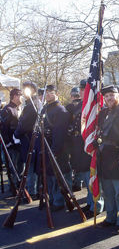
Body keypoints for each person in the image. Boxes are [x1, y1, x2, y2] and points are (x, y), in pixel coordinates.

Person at [96, 85, 119, 234]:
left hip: (118, 155)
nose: (109, 98)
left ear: (118, 95)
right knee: (108, 191)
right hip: (104, 155)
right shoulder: (103, 112)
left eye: (112, 95)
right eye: (107, 96)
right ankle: (111, 217)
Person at [70, 79, 104, 217]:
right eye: (81, 90)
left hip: (90, 144)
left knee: (92, 175)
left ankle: (97, 204)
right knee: (85, 176)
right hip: (79, 144)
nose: (82, 92)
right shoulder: (79, 105)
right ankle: (90, 203)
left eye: (85, 89)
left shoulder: (94, 105)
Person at [41, 84, 72, 212]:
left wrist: (55, 151)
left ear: (56, 94)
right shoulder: (45, 109)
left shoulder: (60, 110)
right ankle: (53, 200)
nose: (48, 94)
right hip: (46, 147)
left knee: (57, 176)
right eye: (46, 92)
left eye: (51, 92)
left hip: (57, 149)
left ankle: (60, 201)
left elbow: (60, 133)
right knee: (49, 176)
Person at [14, 82, 42, 199]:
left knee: (30, 167)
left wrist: (16, 134)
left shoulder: (33, 104)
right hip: (30, 139)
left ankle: (32, 191)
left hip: (30, 139)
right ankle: (33, 189)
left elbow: (25, 123)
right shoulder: (32, 103)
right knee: (31, 166)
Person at [0, 88, 23, 188]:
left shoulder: (19, 108)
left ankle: (18, 183)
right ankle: (12, 184)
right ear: (15, 96)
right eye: (20, 96)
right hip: (11, 143)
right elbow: (3, 128)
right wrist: (7, 142)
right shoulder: (7, 110)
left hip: (18, 142)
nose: (21, 98)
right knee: (12, 166)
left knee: (20, 165)